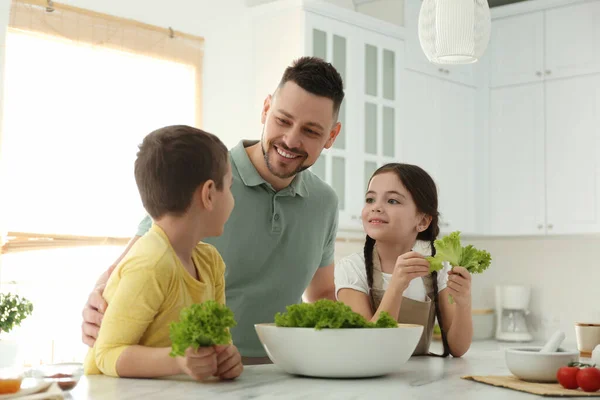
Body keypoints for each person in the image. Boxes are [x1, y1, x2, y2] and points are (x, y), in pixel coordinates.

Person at [81, 56, 344, 364]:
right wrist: (98, 300)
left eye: (311, 131)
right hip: (185, 370)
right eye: (283, 120)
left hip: (279, 371)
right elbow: (133, 263)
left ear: (331, 136)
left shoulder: (325, 203)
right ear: (265, 109)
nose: (290, 139)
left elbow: (322, 293)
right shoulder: (207, 174)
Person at [83, 125, 243, 380]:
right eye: (230, 187)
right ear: (209, 193)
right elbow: (107, 354)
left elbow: (218, 341)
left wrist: (226, 358)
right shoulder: (151, 263)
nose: (234, 199)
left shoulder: (211, 262)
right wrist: (177, 360)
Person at [334, 163, 473, 357]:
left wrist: (463, 302)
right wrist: (396, 286)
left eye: (392, 201)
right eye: (370, 199)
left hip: (422, 381)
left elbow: (458, 348)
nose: (376, 208)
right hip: (373, 382)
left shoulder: (437, 269)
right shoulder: (351, 269)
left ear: (423, 221)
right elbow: (368, 346)